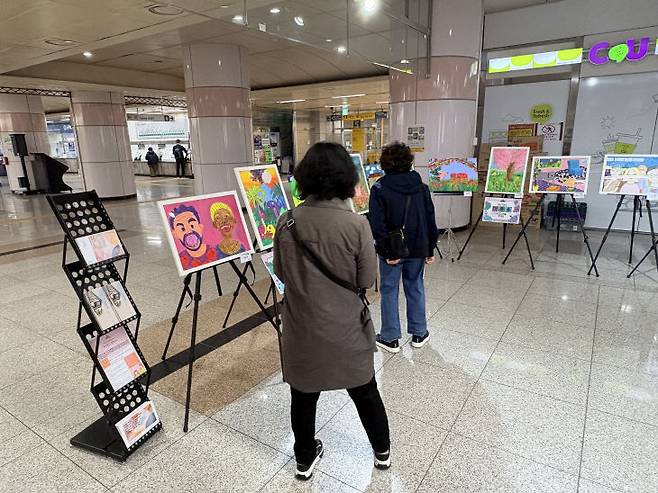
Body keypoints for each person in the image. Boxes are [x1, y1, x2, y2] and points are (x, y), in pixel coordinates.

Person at [274, 142, 391, 481]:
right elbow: (367, 280)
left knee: (303, 395)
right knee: (365, 390)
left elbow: (281, 273)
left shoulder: (287, 222)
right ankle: (382, 451)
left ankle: (304, 459)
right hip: (346, 328)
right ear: (346, 178)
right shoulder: (356, 225)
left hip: (302, 328)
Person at [368, 142, 439, 353]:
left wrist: (386, 250)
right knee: (415, 286)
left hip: (392, 249)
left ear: (384, 164)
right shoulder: (421, 188)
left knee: (389, 290)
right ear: (409, 162)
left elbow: (377, 224)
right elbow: (430, 219)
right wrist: (430, 249)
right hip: (418, 246)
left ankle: (390, 337)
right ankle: (419, 333)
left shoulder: (379, 188)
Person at [168, 204, 219, 270]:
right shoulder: (180, 261)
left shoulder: (217, 252)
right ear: (175, 234)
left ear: (200, 227)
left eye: (192, 225)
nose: (189, 231)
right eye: (182, 229)